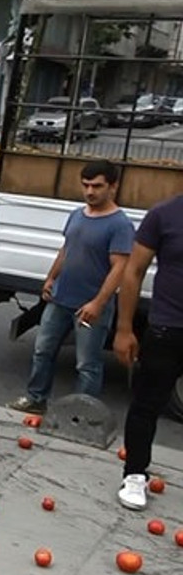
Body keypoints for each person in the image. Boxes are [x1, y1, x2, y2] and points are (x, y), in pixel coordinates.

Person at [8, 161, 134, 414]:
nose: (90, 192)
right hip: (60, 299)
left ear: (113, 186)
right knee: (43, 350)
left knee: (87, 363)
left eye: (97, 186)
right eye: (86, 185)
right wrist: (51, 278)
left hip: (90, 307)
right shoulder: (77, 215)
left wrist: (98, 303)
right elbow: (66, 249)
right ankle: (36, 399)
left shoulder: (120, 225)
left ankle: (81, 413)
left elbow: (119, 269)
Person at [113, 193, 183, 511]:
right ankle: (135, 475)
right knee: (146, 406)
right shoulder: (163, 214)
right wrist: (125, 328)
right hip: (167, 328)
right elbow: (133, 271)